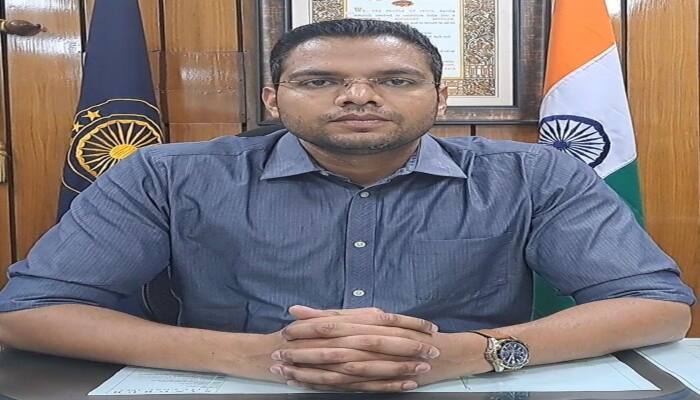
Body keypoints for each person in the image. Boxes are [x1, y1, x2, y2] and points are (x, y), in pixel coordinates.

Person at [0, 19, 694, 393]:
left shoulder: (534, 175)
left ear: (440, 98)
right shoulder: (164, 175)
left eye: (395, 80)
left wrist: (470, 355)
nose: (359, 96)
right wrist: (256, 358)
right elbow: (30, 314)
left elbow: (658, 306)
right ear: (273, 100)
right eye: (318, 80)